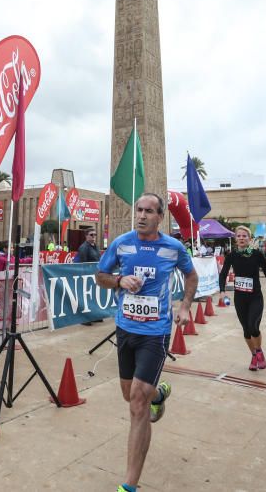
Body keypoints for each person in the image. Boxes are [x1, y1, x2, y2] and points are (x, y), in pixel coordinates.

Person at [95, 194, 197, 492]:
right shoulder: (122, 243)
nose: (141, 215)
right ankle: (158, 396)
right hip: (125, 329)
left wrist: (186, 306)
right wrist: (118, 281)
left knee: (137, 404)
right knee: (131, 395)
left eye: (149, 211)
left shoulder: (173, 247)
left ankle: (129, 485)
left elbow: (191, 276)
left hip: (156, 332)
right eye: (138, 210)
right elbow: (100, 275)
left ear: (159, 217)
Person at [220, 225, 266, 371]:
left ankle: (259, 352)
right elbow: (223, 273)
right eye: (239, 236)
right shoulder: (232, 255)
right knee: (245, 330)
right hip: (240, 297)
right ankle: (254, 355)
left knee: (253, 326)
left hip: (255, 297)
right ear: (235, 239)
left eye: (244, 236)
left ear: (249, 239)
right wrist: (222, 291)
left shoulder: (256, 254)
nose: (241, 238)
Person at [75, 229, 104, 325]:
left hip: (94, 276)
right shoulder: (83, 247)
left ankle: (93, 316)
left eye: (95, 235)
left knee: (93, 297)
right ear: (86, 236)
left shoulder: (95, 246)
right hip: (86, 276)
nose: (93, 237)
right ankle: (84, 318)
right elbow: (83, 263)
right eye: (91, 235)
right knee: (85, 297)